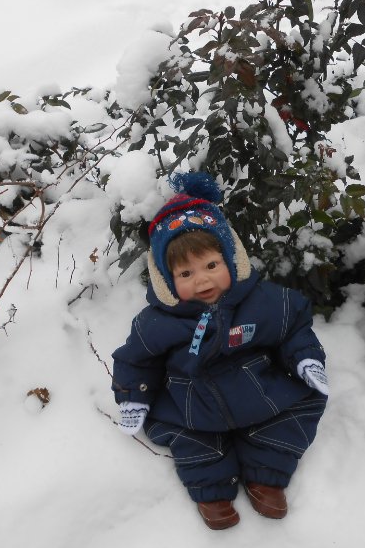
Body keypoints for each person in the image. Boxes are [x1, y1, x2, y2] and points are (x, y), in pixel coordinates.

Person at [111, 172, 329, 530]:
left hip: (259, 390)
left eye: (212, 265)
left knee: (298, 410)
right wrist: (135, 396)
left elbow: (293, 327)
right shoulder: (156, 322)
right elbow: (136, 359)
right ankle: (212, 491)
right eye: (186, 273)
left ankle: (266, 475)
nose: (203, 280)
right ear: (167, 280)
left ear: (232, 259)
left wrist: (305, 358)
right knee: (194, 445)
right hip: (193, 403)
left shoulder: (262, 301)